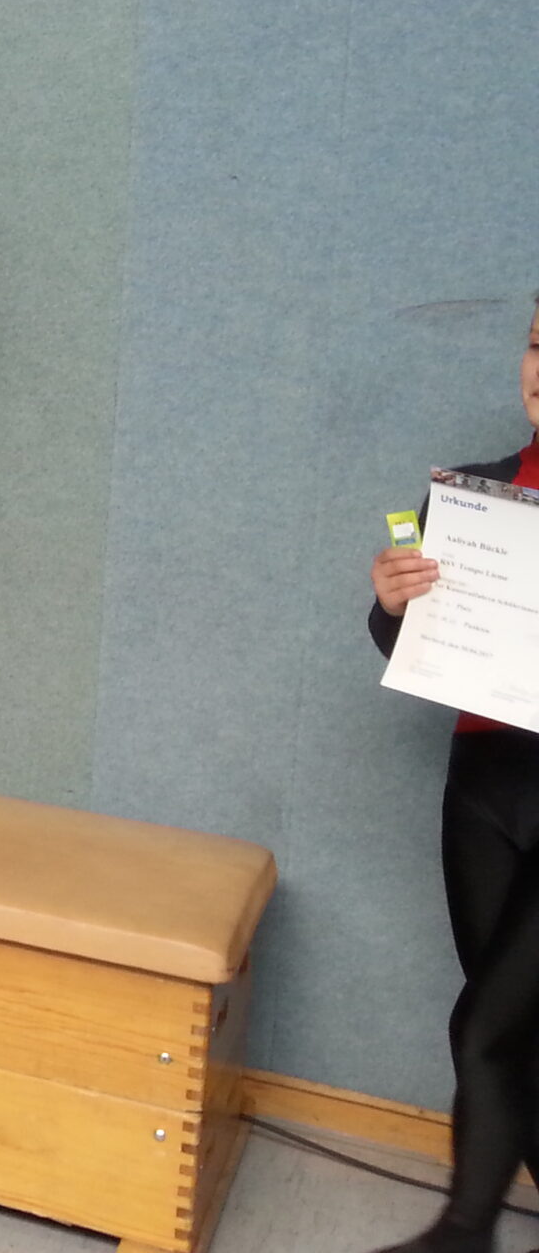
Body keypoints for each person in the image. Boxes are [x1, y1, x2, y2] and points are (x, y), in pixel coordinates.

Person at [367, 298, 539, 1253]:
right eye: (538, 344)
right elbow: (409, 649)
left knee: (486, 1031)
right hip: (482, 792)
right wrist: (393, 605)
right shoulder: (474, 496)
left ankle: (461, 1233)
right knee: (507, 1032)